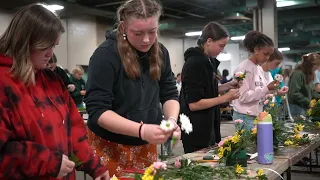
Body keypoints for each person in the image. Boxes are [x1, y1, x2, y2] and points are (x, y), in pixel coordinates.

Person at [0, 4, 109, 180]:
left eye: (54, 46)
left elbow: (74, 131)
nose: (50, 54)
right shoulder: (4, 84)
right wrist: (46, 162)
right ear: (24, 41)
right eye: (45, 46)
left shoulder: (53, 81)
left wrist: (95, 166)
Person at [84, 0, 181, 177]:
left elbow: (169, 93)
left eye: (152, 32)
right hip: (109, 144)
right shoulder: (105, 55)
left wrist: (172, 121)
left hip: (144, 144)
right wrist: (141, 130)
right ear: (123, 27)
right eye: (138, 33)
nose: (146, 39)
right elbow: (98, 111)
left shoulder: (160, 52)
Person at [179, 22, 241, 153]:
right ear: (209, 41)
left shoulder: (208, 61)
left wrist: (227, 86)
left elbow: (207, 91)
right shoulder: (194, 63)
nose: (222, 50)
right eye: (221, 46)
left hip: (208, 125)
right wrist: (225, 97)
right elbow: (194, 104)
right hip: (195, 128)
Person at [233, 31, 280, 130]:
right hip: (244, 117)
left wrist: (273, 90)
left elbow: (261, 92)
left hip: (256, 115)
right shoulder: (244, 68)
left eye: (269, 55)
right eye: (265, 54)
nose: (267, 58)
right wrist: (266, 89)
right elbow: (243, 97)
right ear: (256, 50)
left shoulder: (259, 68)